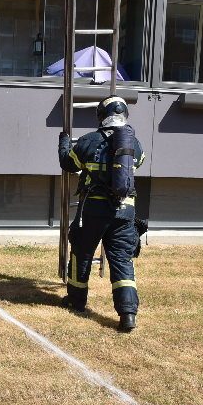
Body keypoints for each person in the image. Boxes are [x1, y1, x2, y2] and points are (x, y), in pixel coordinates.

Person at [58, 95, 146, 332]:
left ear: (101, 115)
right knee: (121, 261)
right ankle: (128, 313)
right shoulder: (134, 144)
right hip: (124, 212)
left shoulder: (88, 141)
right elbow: (137, 164)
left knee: (82, 254)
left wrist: (64, 142)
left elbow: (69, 164)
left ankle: (76, 301)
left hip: (93, 211)